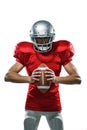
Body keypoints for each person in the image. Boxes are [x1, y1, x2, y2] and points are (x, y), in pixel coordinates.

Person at [4, 20, 81, 130]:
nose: (43, 42)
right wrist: (29, 78)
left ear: (52, 37)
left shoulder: (60, 51)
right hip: (32, 104)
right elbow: (8, 76)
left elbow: (77, 78)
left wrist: (56, 79)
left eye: (46, 38)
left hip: (53, 104)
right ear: (33, 38)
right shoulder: (26, 52)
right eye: (39, 39)